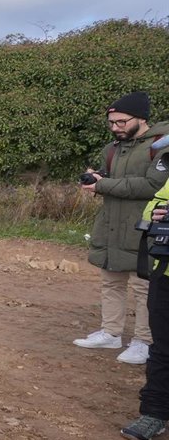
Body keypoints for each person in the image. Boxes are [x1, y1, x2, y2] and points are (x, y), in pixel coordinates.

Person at [74, 92, 169, 365]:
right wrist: (97, 178)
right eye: (111, 122)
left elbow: (152, 185)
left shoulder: (160, 146)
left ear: (141, 118)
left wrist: (103, 184)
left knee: (143, 287)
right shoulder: (112, 148)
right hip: (112, 225)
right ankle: (111, 332)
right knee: (111, 281)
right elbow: (111, 178)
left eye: (121, 122)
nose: (115, 127)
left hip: (145, 228)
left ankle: (143, 341)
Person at [121, 129, 169, 440]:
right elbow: (151, 211)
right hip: (165, 274)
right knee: (162, 349)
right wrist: (158, 216)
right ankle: (154, 413)